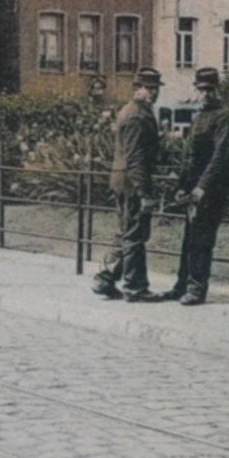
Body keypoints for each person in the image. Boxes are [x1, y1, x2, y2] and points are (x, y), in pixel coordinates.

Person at [165, 67, 229, 305]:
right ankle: (181, 285)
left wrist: (202, 187)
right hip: (195, 187)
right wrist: (182, 185)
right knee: (189, 237)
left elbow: (221, 155)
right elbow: (190, 156)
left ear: (217, 90)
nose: (205, 94)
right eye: (201, 89)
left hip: (213, 188)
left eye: (210, 90)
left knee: (202, 238)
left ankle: (197, 288)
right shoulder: (198, 118)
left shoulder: (224, 117)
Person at [92, 68, 164, 302]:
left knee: (126, 232)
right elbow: (135, 157)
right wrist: (144, 193)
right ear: (138, 89)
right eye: (149, 88)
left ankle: (105, 278)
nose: (153, 93)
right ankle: (135, 287)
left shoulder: (135, 111)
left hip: (124, 179)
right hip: (132, 182)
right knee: (134, 234)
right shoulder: (136, 115)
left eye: (155, 89)